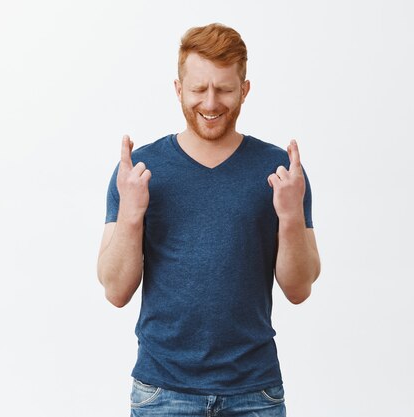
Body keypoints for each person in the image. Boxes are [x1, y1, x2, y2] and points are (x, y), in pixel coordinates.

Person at [97, 22, 321, 417]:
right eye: (199, 89)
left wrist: (289, 216)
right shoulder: (140, 172)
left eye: (225, 89)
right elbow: (115, 291)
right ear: (178, 89)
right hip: (162, 393)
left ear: (245, 90)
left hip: (255, 394)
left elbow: (299, 288)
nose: (211, 102)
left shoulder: (281, 172)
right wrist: (131, 215)